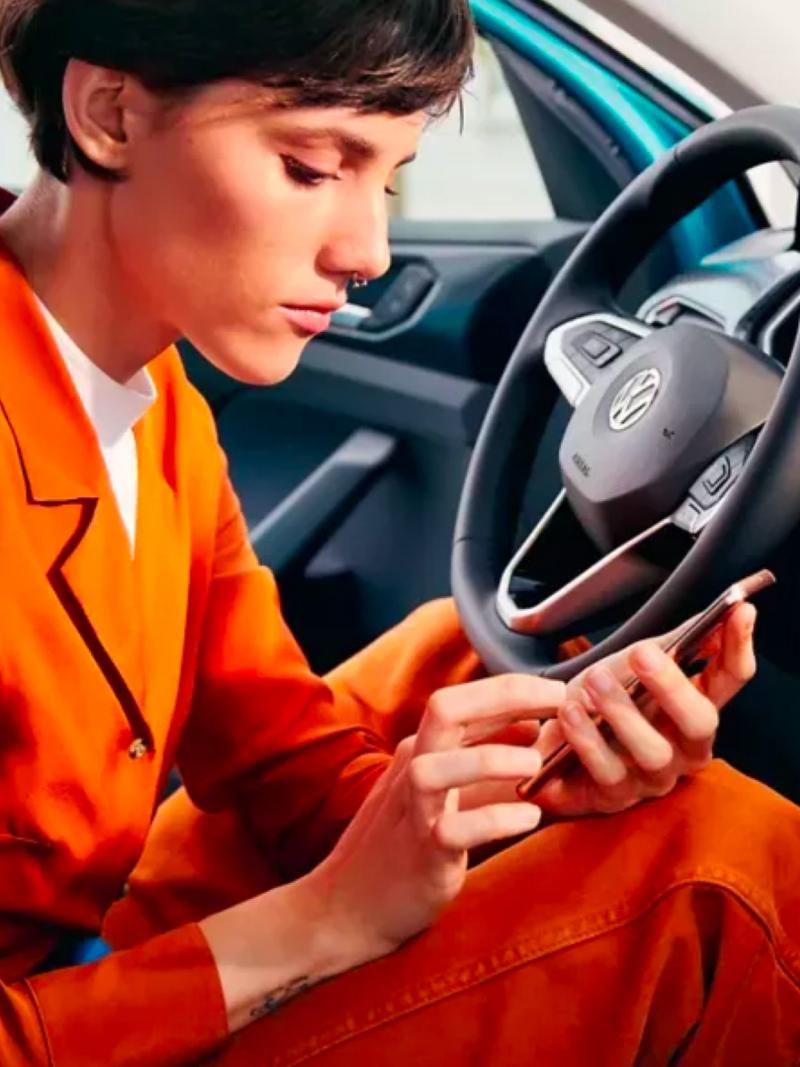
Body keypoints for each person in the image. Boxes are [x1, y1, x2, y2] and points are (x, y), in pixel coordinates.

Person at [0, 1, 798, 1064]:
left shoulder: (152, 399)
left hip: (88, 941)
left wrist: (540, 789)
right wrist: (317, 923)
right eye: (313, 166)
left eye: (389, 175)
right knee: (717, 869)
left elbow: (281, 753)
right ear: (109, 113)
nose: (366, 247)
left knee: (467, 654)